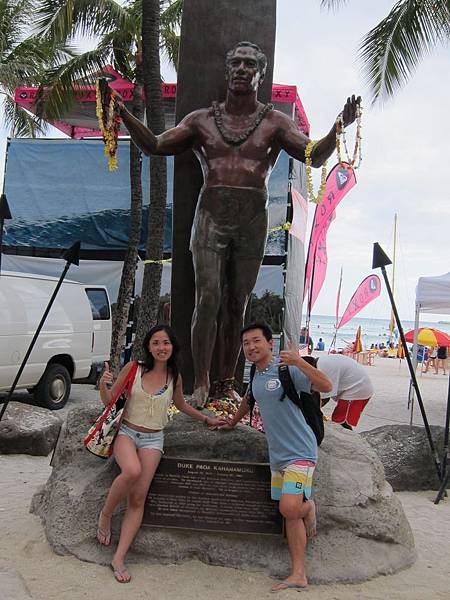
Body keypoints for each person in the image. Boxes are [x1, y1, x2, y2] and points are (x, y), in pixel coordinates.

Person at [105, 41, 361, 407]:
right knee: (207, 299)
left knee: (237, 304)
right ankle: (202, 381)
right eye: (236, 63)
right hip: (210, 214)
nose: (241, 69)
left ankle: (227, 381)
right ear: (227, 72)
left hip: (252, 218)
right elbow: (157, 145)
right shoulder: (201, 120)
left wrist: (339, 126)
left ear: (259, 73)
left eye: (249, 64)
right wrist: (125, 114)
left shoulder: (274, 122)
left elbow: (314, 156)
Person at [96, 325, 225, 583]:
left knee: (139, 497)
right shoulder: (134, 369)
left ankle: (119, 557)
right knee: (132, 471)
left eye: (165, 343)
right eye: (156, 343)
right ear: (149, 347)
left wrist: (205, 419)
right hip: (127, 433)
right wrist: (103, 386)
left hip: (154, 438)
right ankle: (106, 514)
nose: (161, 347)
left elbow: (181, 404)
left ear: (172, 346)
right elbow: (110, 399)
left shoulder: (174, 376)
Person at [219, 322, 332, 592]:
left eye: (256, 340)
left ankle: (309, 507)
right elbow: (250, 399)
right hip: (278, 457)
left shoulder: (288, 369)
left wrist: (300, 362)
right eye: (246, 343)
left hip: (301, 452)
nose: (251, 346)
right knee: (288, 514)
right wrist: (232, 422)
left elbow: (326, 385)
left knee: (290, 508)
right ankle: (298, 574)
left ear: (271, 343)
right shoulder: (256, 376)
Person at [303, 354, 374, 430]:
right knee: (339, 420)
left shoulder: (325, 370)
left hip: (357, 389)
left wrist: (308, 413)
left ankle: (350, 440)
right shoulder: (321, 363)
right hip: (356, 386)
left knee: (341, 421)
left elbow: (324, 398)